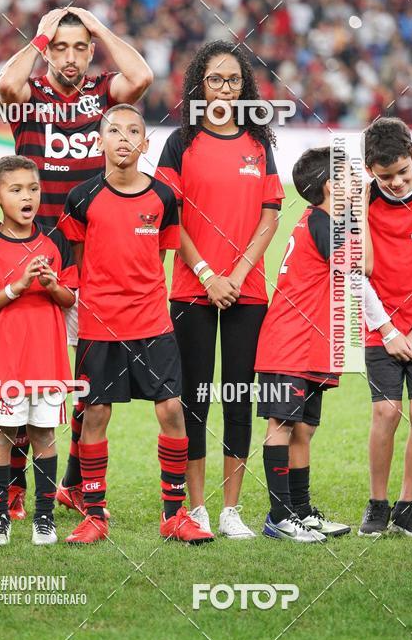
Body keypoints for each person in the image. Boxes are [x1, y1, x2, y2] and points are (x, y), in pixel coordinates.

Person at [0, 6, 153, 519]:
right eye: (59, 47)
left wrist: (100, 28)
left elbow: (143, 76)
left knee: (88, 379)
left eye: (77, 47)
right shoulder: (32, 97)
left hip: (92, 260)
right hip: (36, 254)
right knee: (31, 375)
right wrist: (40, 37)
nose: (69, 56)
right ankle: (16, 485)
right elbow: (6, 85)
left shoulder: (104, 94)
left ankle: (75, 484)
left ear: (90, 52)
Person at [57, 104, 213, 544]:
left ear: (145, 144)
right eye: (113, 130)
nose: (123, 138)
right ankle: (95, 514)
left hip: (152, 324)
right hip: (99, 326)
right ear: (99, 140)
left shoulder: (163, 197)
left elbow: (159, 257)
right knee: (95, 414)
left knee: (170, 410)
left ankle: (174, 513)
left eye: (133, 131)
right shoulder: (81, 198)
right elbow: (81, 263)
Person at [155, 41, 284, 538]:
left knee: (236, 396)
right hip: (193, 290)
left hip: (246, 293)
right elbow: (171, 217)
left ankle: (231, 509)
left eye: (233, 80)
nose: (224, 88)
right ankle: (196, 507)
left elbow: (270, 216)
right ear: (198, 86)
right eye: (215, 80)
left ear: (244, 87)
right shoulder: (179, 143)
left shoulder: (258, 144)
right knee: (194, 400)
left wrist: (237, 273)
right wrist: (209, 274)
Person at [0, 156, 78, 545]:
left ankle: (43, 518)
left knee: (44, 434)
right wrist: (16, 286)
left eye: (32, 188)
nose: (27, 196)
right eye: (16, 190)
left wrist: (50, 283)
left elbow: (69, 298)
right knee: (1, 435)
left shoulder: (56, 239)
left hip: (47, 359)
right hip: (6, 361)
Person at [256, 147, 358, 542]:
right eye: (352, 177)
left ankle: (300, 511)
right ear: (333, 186)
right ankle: (279, 518)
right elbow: (358, 265)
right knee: (281, 424)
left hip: (309, 344)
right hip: (289, 343)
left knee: (304, 430)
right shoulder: (324, 222)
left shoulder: (321, 220)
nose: (359, 184)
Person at [359, 117, 412, 537]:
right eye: (385, 176)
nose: (395, 182)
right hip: (380, 322)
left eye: (403, 173)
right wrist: (388, 329)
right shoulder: (362, 202)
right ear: (370, 170)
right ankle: (377, 504)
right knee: (386, 410)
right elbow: (357, 271)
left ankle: (408, 506)